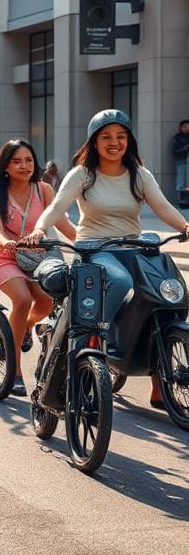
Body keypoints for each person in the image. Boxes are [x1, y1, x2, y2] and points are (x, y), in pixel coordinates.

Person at [26, 109, 189, 409]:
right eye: (106, 137)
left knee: (165, 297)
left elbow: (163, 207)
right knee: (119, 281)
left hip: (133, 247)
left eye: (121, 136)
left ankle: (159, 387)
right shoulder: (83, 175)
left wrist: (185, 226)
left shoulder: (139, 174)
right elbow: (57, 207)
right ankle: (94, 338)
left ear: (129, 140)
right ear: (94, 141)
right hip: (94, 249)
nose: (115, 143)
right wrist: (39, 228)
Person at [0, 140, 76, 396]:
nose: (24, 166)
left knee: (47, 304)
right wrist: (8, 244)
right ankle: (14, 371)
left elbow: (62, 222)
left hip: (40, 255)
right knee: (22, 300)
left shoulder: (44, 189)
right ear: (5, 166)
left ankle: (26, 327)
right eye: (16, 161)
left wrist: (84, 241)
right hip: (7, 256)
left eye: (28, 160)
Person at [173, 119, 189, 208]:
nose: (186, 129)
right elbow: (176, 150)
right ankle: (182, 201)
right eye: (184, 127)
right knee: (181, 182)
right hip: (181, 161)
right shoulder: (177, 138)